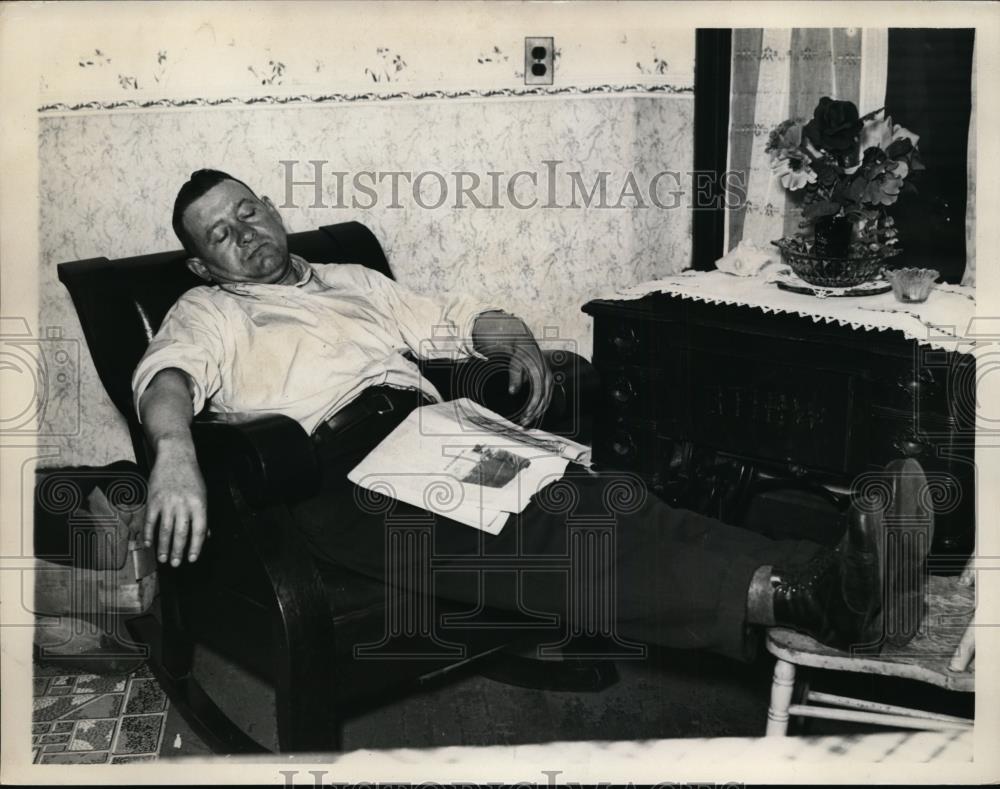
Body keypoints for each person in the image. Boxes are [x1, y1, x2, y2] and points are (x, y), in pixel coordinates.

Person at [134, 169, 919, 662]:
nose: (246, 234)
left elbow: (452, 313)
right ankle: (796, 598)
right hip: (337, 480)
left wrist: (514, 339)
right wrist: (172, 450)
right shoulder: (207, 309)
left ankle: (827, 568)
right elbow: (166, 376)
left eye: (248, 211)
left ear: (272, 207)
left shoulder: (348, 278)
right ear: (206, 264)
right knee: (560, 535)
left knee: (617, 498)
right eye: (222, 235)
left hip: (432, 436)